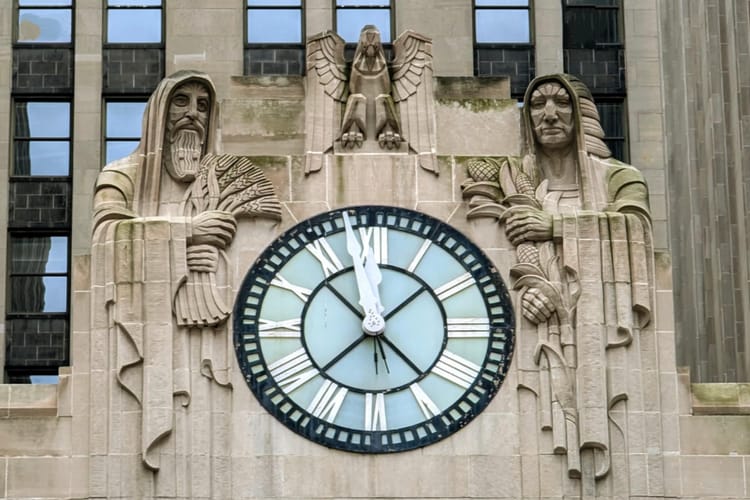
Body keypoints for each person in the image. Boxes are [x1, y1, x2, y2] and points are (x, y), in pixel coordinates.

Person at [485, 74, 654, 485]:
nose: (548, 114)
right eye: (538, 104)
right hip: (537, 331)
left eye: (561, 103)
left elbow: (636, 228)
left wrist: (555, 226)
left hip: (591, 328)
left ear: (582, 115)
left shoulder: (618, 177)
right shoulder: (514, 182)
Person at [90, 70, 236, 476]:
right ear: (159, 112)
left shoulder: (219, 186)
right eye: (181, 102)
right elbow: (106, 238)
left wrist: (215, 261)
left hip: (207, 346)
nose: (193, 114)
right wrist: (186, 235)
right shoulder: (122, 176)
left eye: (203, 106)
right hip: (152, 341)